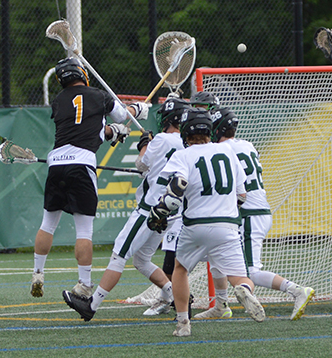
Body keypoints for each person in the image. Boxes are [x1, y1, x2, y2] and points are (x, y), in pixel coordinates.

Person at [30, 57, 149, 299]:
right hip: (82, 164)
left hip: (56, 164)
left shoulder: (58, 101)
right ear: (81, 73)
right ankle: (84, 284)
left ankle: (37, 274)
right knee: (84, 231)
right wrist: (137, 109)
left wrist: (111, 132)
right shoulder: (99, 95)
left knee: (47, 223)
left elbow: (84, 127)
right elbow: (120, 115)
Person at [61, 97, 189, 321]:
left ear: (168, 118)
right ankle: (175, 294)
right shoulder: (186, 144)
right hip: (170, 210)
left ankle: (92, 305)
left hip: (149, 209)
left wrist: (144, 145)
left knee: (119, 255)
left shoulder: (161, 139)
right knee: (141, 259)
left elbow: (141, 165)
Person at [149, 107, 265, 337]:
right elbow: (242, 195)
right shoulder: (228, 152)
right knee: (240, 277)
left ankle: (183, 323)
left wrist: (158, 213)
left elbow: (173, 189)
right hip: (228, 224)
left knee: (180, 269)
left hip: (195, 224)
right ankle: (243, 290)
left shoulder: (182, 155)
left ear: (185, 131)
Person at [193, 107, 315, 321]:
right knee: (215, 253)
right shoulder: (247, 145)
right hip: (252, 211)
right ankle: (221, 305)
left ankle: (297, 290)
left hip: (249, 214)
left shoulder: (221, 150)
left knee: (250, 272)